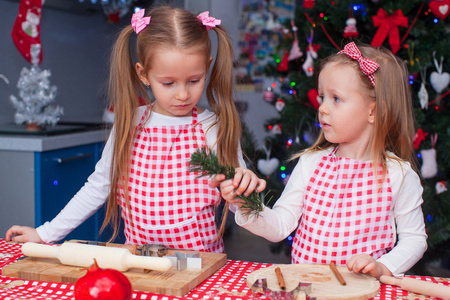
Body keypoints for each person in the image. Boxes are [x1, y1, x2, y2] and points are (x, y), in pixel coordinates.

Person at [5, 6, 263, 253]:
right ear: (143, 74)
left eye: (194, 80)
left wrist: (243, 191)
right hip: (138, 262)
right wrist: (45, 233)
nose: (183, 94)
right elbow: (98, 186)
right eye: (168, 83)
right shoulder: (130, 123)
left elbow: (240, 200)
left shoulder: (211, 127)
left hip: (200, 264)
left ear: (207, 67)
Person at [217, 42, 427, 278]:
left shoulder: (399, 175)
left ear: (373, 111)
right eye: (322, 97)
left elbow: (415, 239)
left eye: (336, 99)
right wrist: (247, 205)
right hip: (308, 288)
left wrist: (383, 267)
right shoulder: (311, 164)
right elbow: (280, 226)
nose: (323, 109)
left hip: (362, 292)